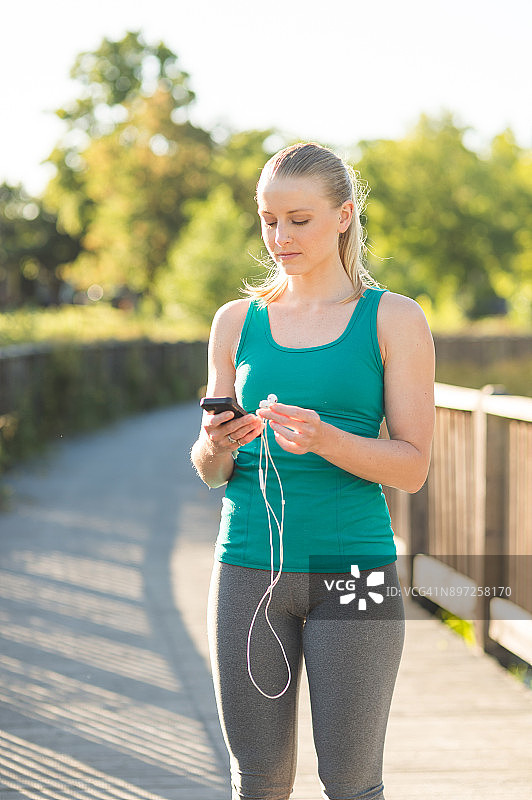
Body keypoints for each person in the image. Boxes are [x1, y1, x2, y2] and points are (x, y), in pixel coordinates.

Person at [191, 142, 435, 800]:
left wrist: (326, 438)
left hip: (354, 567)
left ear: (343, 216)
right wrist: (219, 444)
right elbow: (210, 469)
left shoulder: (394, 318)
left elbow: (412, 468)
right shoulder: (236, 322)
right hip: (246, 567)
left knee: (353, 783)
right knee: (260, 780)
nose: (280, 237)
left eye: (299, 220)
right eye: (269, 219)